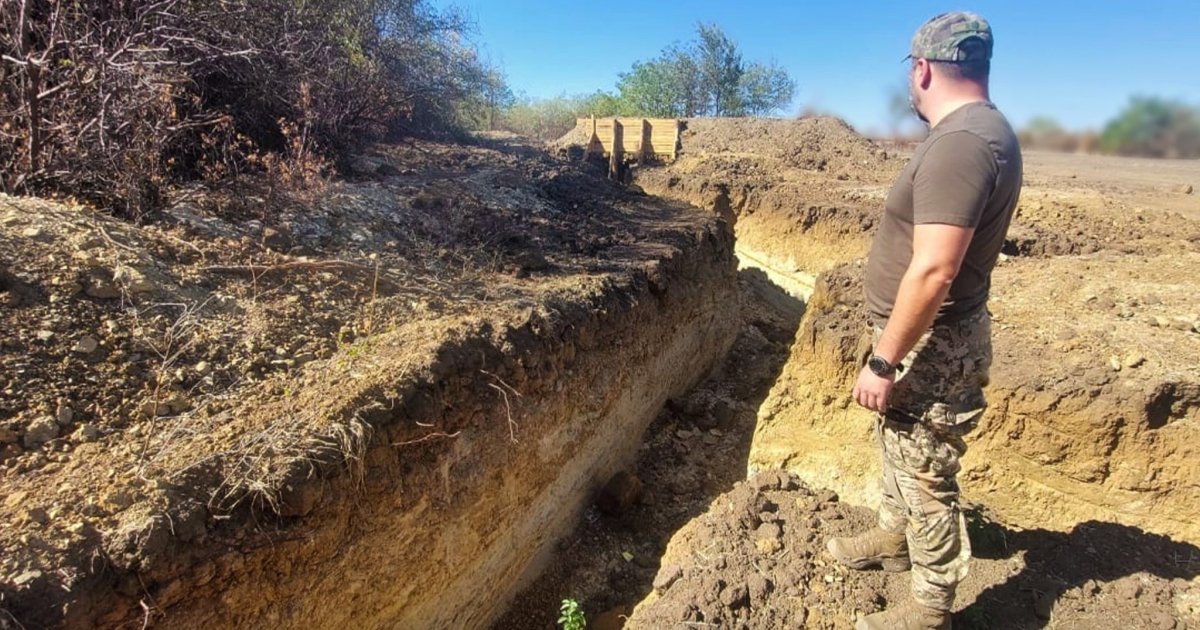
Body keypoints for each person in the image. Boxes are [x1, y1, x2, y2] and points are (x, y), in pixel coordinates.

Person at [825, 11, 1022, 630]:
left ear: (922, 70)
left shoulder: (962, 144)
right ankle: (893, 539)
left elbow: (935, 269)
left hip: (931, 344)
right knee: (900, 443)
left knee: (924, 470)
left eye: (910, 74)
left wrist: (884, 360)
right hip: (928, 336)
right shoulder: (979, 132)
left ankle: (932, 607)